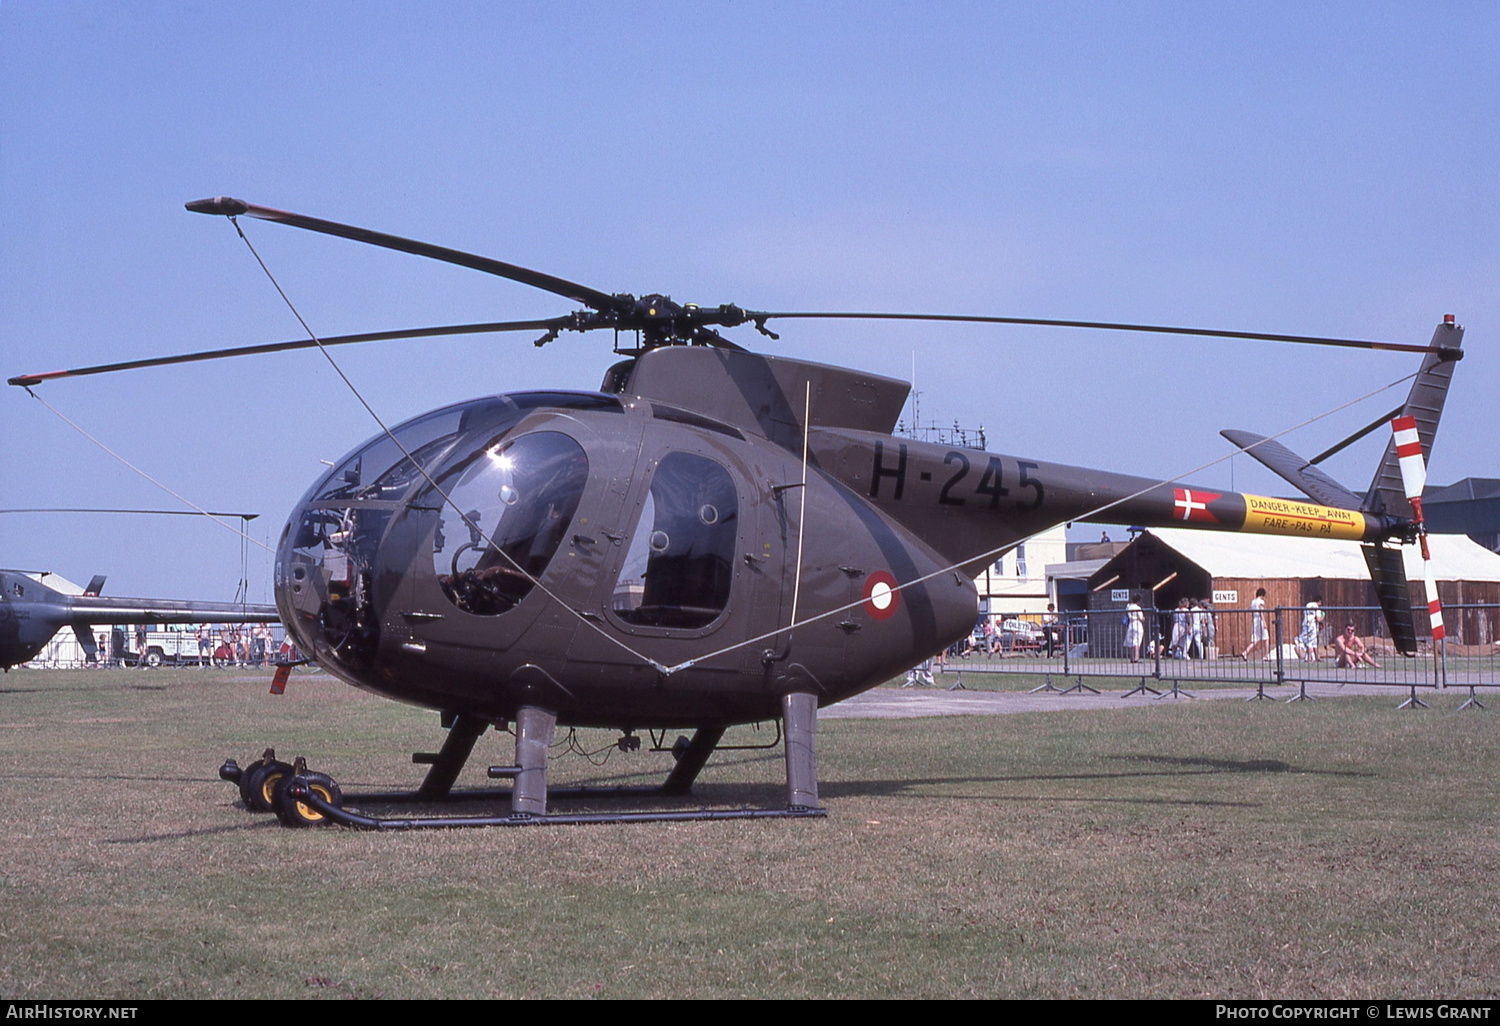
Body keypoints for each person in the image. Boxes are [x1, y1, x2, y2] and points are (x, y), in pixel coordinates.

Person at [1242, 588, 1269, 661]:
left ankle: (1245, 652)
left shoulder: (1253, 602)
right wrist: (1264, 622)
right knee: (1266, 638)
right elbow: (1261, 612)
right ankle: (1266, 655)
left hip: (1254, 620)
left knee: (1255, 640)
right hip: (1260, 620)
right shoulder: (1261, 601)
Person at [1296, 597, 1325, 662]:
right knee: (1310, 642)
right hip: (1312, 626)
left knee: (1314, 642)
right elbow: (1318, 619)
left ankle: (1317, 657)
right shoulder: (1316, 607)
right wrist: (1323, 616)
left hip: (1306, 624)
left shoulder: (1308, 605)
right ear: (1319, 601)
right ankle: (1308, 658)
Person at [1124, 595, 1145, 663]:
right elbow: (1141, 618)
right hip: (1137, 624)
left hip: (1131, 624)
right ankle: (1136, 658)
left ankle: (1132, 658)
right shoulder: (1138, 608)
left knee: (1130, 641)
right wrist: (1143, 619)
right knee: (1137, 641)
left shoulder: (1128, 607)